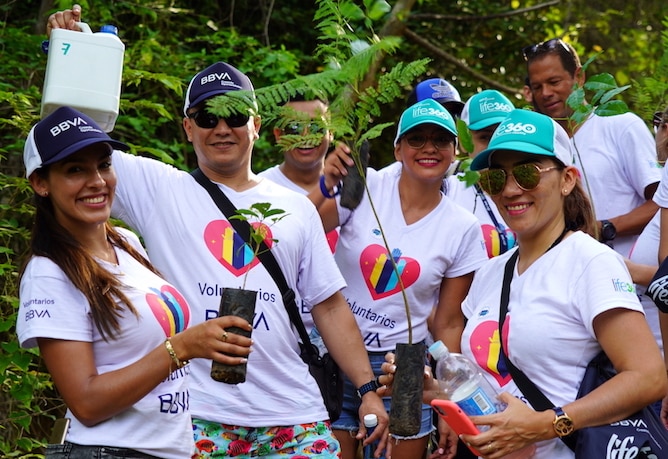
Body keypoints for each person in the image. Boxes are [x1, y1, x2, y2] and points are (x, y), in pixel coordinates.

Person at [47, 7, 389, 459]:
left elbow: (328, 306)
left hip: (292, 412)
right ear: (188, 128)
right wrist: (70, 55)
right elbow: (71, 139)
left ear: (257, 125)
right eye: (207, 117)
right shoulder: (159, 189)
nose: (221, 127)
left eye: (234, 115)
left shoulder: (296, 209)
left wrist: (366, 387)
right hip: (193, 414)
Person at [384, 108, 667, 459]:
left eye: (527, 172)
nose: (511, 189)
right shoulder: (491, 272)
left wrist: (549, 423)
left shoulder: (591, 262)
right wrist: (434, 389)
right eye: (496, 179)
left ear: (567, 180)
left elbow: (649, 376)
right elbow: (491, 383)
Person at [17, 106, 253, 458]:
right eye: (75, 170)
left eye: (103, 164)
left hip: (170, 449)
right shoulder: (49, 272)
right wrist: (183, 348)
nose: (97, 180)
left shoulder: (127, 243)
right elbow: (86, 402)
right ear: (40, 183)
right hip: (108, 450)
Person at [311, 98, 488, 459]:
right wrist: (326, 182)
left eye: (440, 141)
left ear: (455, 152)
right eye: (416, 139)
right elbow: (300, 232)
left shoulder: (464, 228)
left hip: (405, 365)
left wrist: (446, 402)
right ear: (397, 148)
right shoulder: (364, 186)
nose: (428, 149)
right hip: (336, 352)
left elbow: (449, 320)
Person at [523, 37, 661, 258]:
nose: (546, 93)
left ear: (579, 77)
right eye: (537, 86)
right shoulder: (541, 146)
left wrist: (605, 227)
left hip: (631, 280)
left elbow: (662, 203)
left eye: (554, 82)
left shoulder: (620, 125)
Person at [445, 89, 516, 258]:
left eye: (503, 134)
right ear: (463, 141)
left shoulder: (532, 188)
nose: (495, 146)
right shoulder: (447, 193)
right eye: (485, 137)